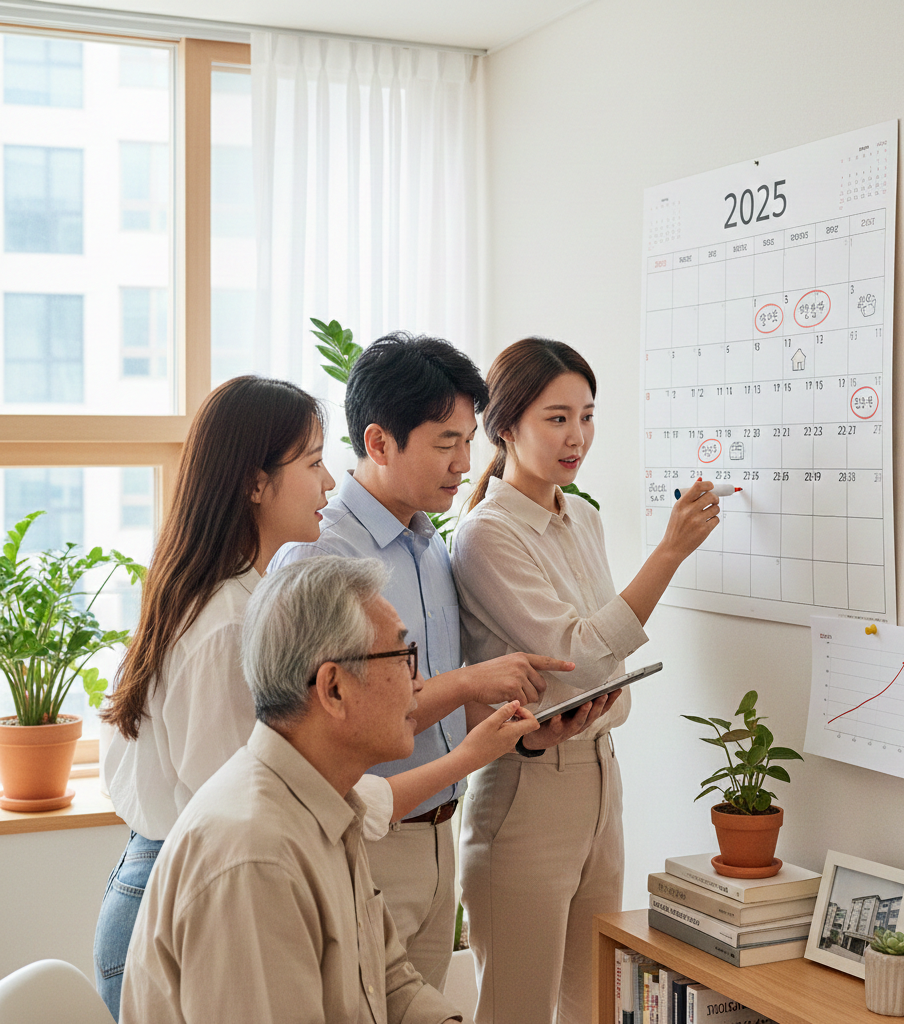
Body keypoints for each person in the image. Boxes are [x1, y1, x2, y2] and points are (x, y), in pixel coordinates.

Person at [96, 375, 533, 1020]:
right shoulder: (228, 629)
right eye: (311, 463)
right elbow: (247, 803)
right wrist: (466, 751)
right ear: (254, 482)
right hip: (185, 895)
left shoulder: (247, 599)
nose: (329, 483)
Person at [270, 332, 573, 990]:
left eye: (469, 440)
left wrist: (520, 729)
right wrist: (470, 681)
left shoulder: (427, 542)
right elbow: (323, 724)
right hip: (369, 840)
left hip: (442, 836)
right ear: (378, 443)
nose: (465, 462)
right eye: (446, 443)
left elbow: (439, 699)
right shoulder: (321, 557)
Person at [120, 556, 537, 1024]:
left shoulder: (331, 802)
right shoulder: (257, 855)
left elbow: (389, 979)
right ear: (333, 688)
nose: (418, 684)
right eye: (403, 659)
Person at [451, 337, 720, 1024]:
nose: (578, 437)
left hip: (601, 773)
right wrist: (669, 553)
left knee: (593, 1003)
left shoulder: (584, 519)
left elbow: (605, 662)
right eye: (557, 418)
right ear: (506, 424)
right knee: (515, 1008)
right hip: (528, 790)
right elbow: (580, 655)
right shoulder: (486, 533)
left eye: (588, 416)